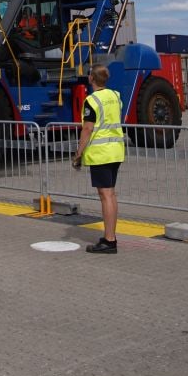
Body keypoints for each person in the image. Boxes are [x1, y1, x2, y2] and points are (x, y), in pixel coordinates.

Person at [73, 64, 125, 253]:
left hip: (101, 153)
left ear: (91, 78)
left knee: (105, 195)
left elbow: (88, 128)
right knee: (110, 194)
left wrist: (78, 153)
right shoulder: (115, 96)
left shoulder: (92, 100)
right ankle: (111, 236)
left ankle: (109, 241)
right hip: (116, 151)